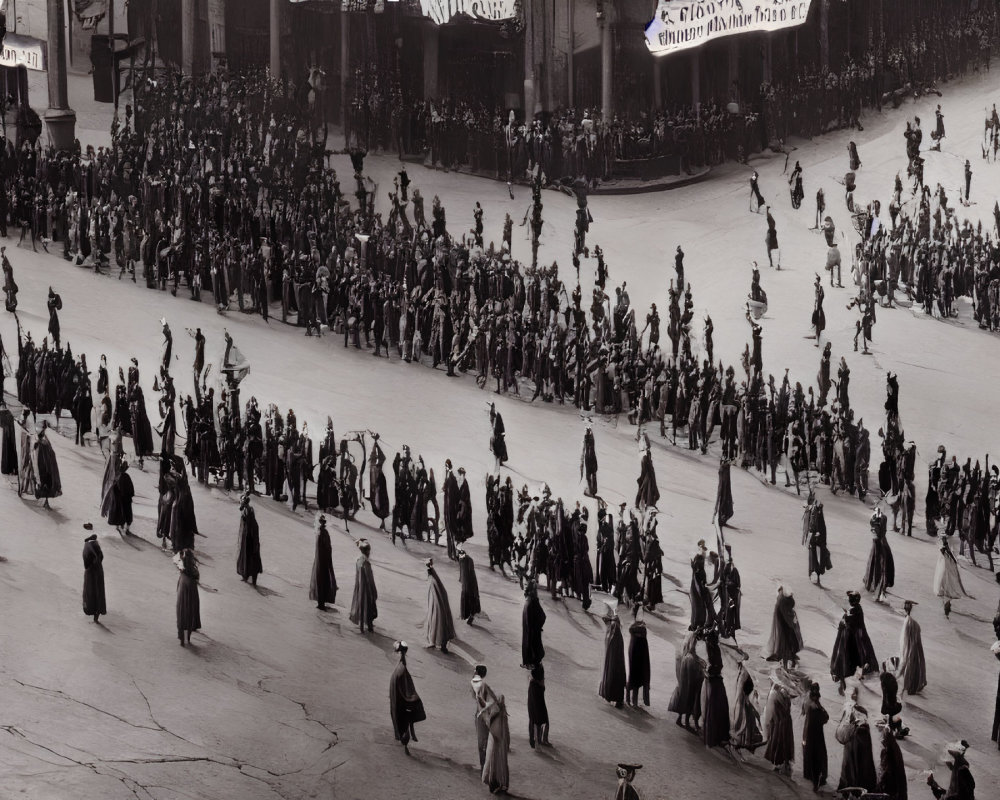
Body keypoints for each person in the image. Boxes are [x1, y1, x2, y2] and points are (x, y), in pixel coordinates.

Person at [831, 591, 879, 693]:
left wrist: (845, 618)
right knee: (858, 658)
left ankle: (845, 676)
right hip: (858, 638)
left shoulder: (854, 612)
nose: (848, 601)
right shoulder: (858, 609)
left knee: (848, 658)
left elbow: (846, 623)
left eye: (849, 600)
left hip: (851, 640)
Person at [836, 686, 877, 793]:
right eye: (852, 694)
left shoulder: (860, 711)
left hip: (857, 745)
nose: (853, 696)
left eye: (854, 694)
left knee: (856, 768)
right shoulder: (851, 710)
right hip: (853, 745)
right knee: (853, 768)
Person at [389, 641, 425, 756]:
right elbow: (407, 689)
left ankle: (405, 741)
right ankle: (405, 743)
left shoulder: (400, 668)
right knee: (404, 723)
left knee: (401, 722)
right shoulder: (402, 669)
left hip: (398, 700)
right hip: (401, 700)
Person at [668, 630, 704, 730]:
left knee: (684, 692)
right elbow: (692, 651)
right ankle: (687, 722)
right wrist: (700, 661)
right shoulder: (693, 638)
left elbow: (686, 651)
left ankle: (680, 718)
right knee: (690, 693)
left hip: (685, 663)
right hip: (690, 664)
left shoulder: (688, 636)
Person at [701, 627, 730, 748]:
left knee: (718, 709)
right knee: (716, 710)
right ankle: (715, 738)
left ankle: (716, 737)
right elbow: (713, 667)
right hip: (714, 682)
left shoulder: (713, 648)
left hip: (715, 680)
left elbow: (717, 665)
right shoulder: (710, 649)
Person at [765, 586, 804, 670]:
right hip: (785, 623)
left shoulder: (783, 600)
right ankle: (788, 660)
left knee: (790, 639)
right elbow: (786, 615)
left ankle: (790, 658)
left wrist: (792, 617)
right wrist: (792, 621)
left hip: (786, 622)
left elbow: (788, 612)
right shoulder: (782, 602)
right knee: (787, 640)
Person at [730, 658, 764, 753]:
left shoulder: (743, 673)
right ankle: (741, 744)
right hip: (744, 698)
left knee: (744, 721)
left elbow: (744, 688)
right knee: (744, 721)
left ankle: (742, 744)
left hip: (744, 698)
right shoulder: (742, 672)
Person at [801, 682, 830, 793]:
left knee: (812, 758)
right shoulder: (816, 707)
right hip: (816, 737)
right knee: (817, 759)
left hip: (809, 735)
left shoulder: (811, 705)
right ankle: (816, 781)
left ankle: (815, 780)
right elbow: (825, 718)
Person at [480, 693, 510, 794]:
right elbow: (506, 731)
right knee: (499, 763)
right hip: (499, 742)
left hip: (494, 740)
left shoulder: (495, 712)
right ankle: (499, 783)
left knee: (492, 762)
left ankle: (493, 784)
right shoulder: (502, 715)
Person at [424, 557, 456, 652]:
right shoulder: (435, 579)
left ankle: (437, 642)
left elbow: (436, 595)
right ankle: (441, 644)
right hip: (439, 605)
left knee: (437, 622)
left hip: (437, 606)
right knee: (440, 622)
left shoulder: (433, 581)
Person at [764, 679, 795, 775]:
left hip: (780, 722)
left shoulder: (775, 694)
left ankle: (780, 763)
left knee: (779, 742)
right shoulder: (778, 694)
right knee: (782, 743)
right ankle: (782, 763)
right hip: (782, 722)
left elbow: (774, 710)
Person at [471, 665, 499, 769]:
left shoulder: (480, 686)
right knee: (485, 742)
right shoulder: (482, 685)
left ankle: (484, 765)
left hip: (483, 717)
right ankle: (486, 764)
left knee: (482, 743)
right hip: (486, 716)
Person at [864, 508, 894, 603]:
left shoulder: (876, 518)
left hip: (878, 543)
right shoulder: (880, 518)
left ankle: (876, 585)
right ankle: (880, 588)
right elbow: (881, 532)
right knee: (882, 565)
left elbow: (877, 532)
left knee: (878, 564)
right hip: (880, 543)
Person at [933, 535, 968, 617]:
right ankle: (947, 603)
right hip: (946, 566)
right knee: (946, 581)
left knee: (944, 582)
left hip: (943, 566)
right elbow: (950, 556)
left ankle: (946, 603)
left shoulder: (943, 548)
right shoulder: (945, 548)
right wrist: (955, 561)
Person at [309, 513, 337, 610]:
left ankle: (320, 602)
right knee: (323, 579)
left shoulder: (319, 533)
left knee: (319, 579)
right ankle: (322, 602)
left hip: (319, 560)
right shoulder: (324, 533)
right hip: (323, 560)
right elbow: (328, 547)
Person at [349, 538, 378, 633]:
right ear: (367, 551)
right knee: (368, 607)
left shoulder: (358, 560)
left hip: (359, 587)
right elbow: (370, 579)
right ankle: (369, 627)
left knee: (360, 605)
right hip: (366, 589)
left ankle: (361, 627)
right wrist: (373, 591)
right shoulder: (366, 563)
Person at [598, 612, 626, 709]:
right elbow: (604, 618)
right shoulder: (615, 632)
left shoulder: (612, 632)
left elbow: (604, 618)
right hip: (616, 663)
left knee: (612, 677)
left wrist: (611, 619)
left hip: (613, 663)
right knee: (615, 678)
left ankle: (612, 697)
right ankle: (616, 699)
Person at [899, 599, 927, 695]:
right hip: (914, 646)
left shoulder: (908, 621)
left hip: (909, 646)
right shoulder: (913, 622)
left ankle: (908, 685)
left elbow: (905, 639)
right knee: (915, 663)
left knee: (908, 663)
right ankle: (913, 684)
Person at [175, 548, 201, 647]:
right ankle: (186, 639)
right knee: (189, 616)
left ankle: (182, 638)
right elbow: (197, 578)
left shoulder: (182, 571)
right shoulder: (194, 572)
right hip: (191, 595)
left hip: (182, 594)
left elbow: (176, 559)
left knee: (182, 615)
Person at [236, 491, 262, 586]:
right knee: (249, 556)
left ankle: (247, 575)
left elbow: (248, 521)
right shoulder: (249, 511)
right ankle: (246, 575)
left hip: (249, 537)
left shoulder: (248, 511)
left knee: (249, 556)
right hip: (249, 536)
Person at [34, 420, 61, 508]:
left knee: (46, 482)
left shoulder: (44, 442)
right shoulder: (43, 443)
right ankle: (45, 502)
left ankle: (45, 501)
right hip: (46, 467)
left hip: (47, 466)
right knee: (45, 481)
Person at [82, 529, 106, 624]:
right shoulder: (96, 547)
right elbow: (101, 557)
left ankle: (89, 608)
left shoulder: (86, 548)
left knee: (89, 592)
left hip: (90, 573)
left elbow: (86, 564)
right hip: (98, 572)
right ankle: (97, 614)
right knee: (98, 592)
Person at [626, 616, 650, 708]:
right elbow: (632, 630)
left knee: (636, 678)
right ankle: (631, 700)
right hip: (636, 655)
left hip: (639, 655)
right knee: (634, 678)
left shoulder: (639, 630)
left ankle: (630, 699)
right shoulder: (636, 629)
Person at [106, 457, 134, 535]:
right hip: (125, 499)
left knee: (119, 514)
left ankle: (119, 526)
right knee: (127, 514)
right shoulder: (126, 476)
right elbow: (131, 490)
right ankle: (126, 528)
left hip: (120, 500)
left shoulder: (116, 477)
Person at [521, 579, 546, 668]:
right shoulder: (532, 600)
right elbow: (542, 616)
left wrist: (537, 626)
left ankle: (529, 662)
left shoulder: (530, 600)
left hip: (530, 628)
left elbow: (541, 616)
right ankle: (530, 662)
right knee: (531, 644)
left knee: (530, 644)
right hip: (531, 628)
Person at [457, 546, 481, 625]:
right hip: (465, 583)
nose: (461, 557)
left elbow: (472, 573)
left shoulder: (469, 560)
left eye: (462, 555)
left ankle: (471, 616)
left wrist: (470, 583)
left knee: (470, 599)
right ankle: (466, 615)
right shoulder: (461, 560)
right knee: (466, 599)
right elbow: (461, 570)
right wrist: (461, 578)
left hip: (470, 583)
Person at [527, 664, 549, 748]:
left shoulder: (532, 684)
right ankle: (539, 741)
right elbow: (542, 690)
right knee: (540, 722)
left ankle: (533, 740)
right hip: (538, 705)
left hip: (532, 704)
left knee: (533, 721)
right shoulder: (538, 686)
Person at [712, 458, 734, 527]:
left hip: (724, 490)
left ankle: (720, 517)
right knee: (728, 510)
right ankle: (720, 518)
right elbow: (722, 483)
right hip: (723, 490)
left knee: (728, 510)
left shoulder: (724, 469)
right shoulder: (724, 469)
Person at [581, 425, 598, 497]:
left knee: (590, 450)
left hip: (591, 464)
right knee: (590, 450)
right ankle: (589, 436)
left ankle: (588, 435)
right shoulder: (590, 451)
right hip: (591, 464)